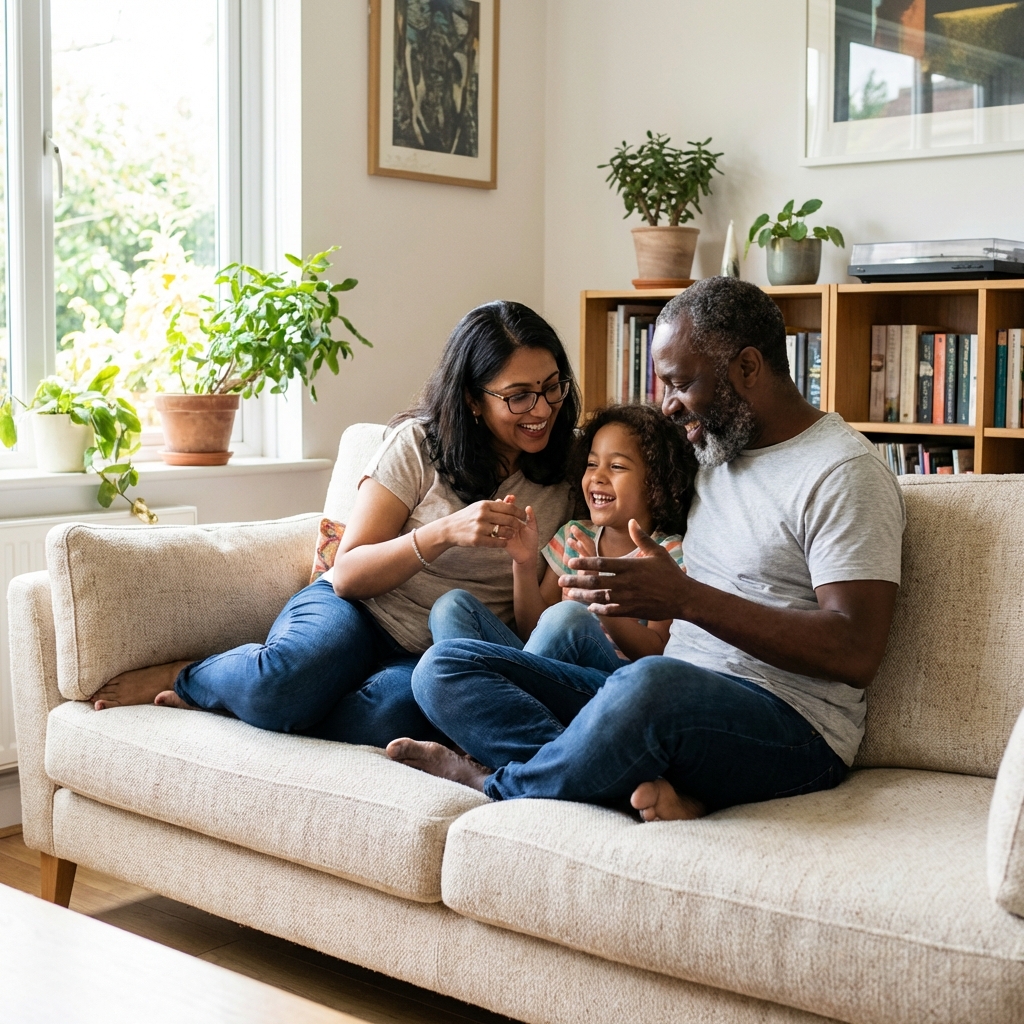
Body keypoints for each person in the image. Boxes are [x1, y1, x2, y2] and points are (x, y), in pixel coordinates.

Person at [388, 276, 906, 821]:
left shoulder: (843, 474)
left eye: (681, 384)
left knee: (648, 685)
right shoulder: (713, 452)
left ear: (748, 369)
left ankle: (500, 782)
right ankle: (617, 774)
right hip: (662, 702)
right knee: (443, 668)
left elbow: (856, 651)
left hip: (793, 728)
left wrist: (685, 599)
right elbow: (625, 480)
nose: (669, 407)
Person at [89, 300, 580, 747]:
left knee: (394, 717)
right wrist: (442, 533)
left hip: (434, 652)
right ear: (474, 400)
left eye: (552, 386)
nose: (542, 409)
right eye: (518, 396)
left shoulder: (569, 478)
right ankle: (192, 676)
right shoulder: (417, 446)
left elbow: (533, 626)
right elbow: (346, 575)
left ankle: (254, 703)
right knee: (287, 680)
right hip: (357, 610)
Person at [428, 403, 694, 671]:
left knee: (569, 615)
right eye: (591, 464)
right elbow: (534, 630)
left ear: (656, 483)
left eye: (616, 466)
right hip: (546, 668)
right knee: (451, 606)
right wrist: (523, 564)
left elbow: (657, 651)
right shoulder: (574, 535)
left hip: (608, 682)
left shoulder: (666, 554)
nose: (597, 477)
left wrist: (599, 595)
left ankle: (501, 690)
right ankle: (503, 693)